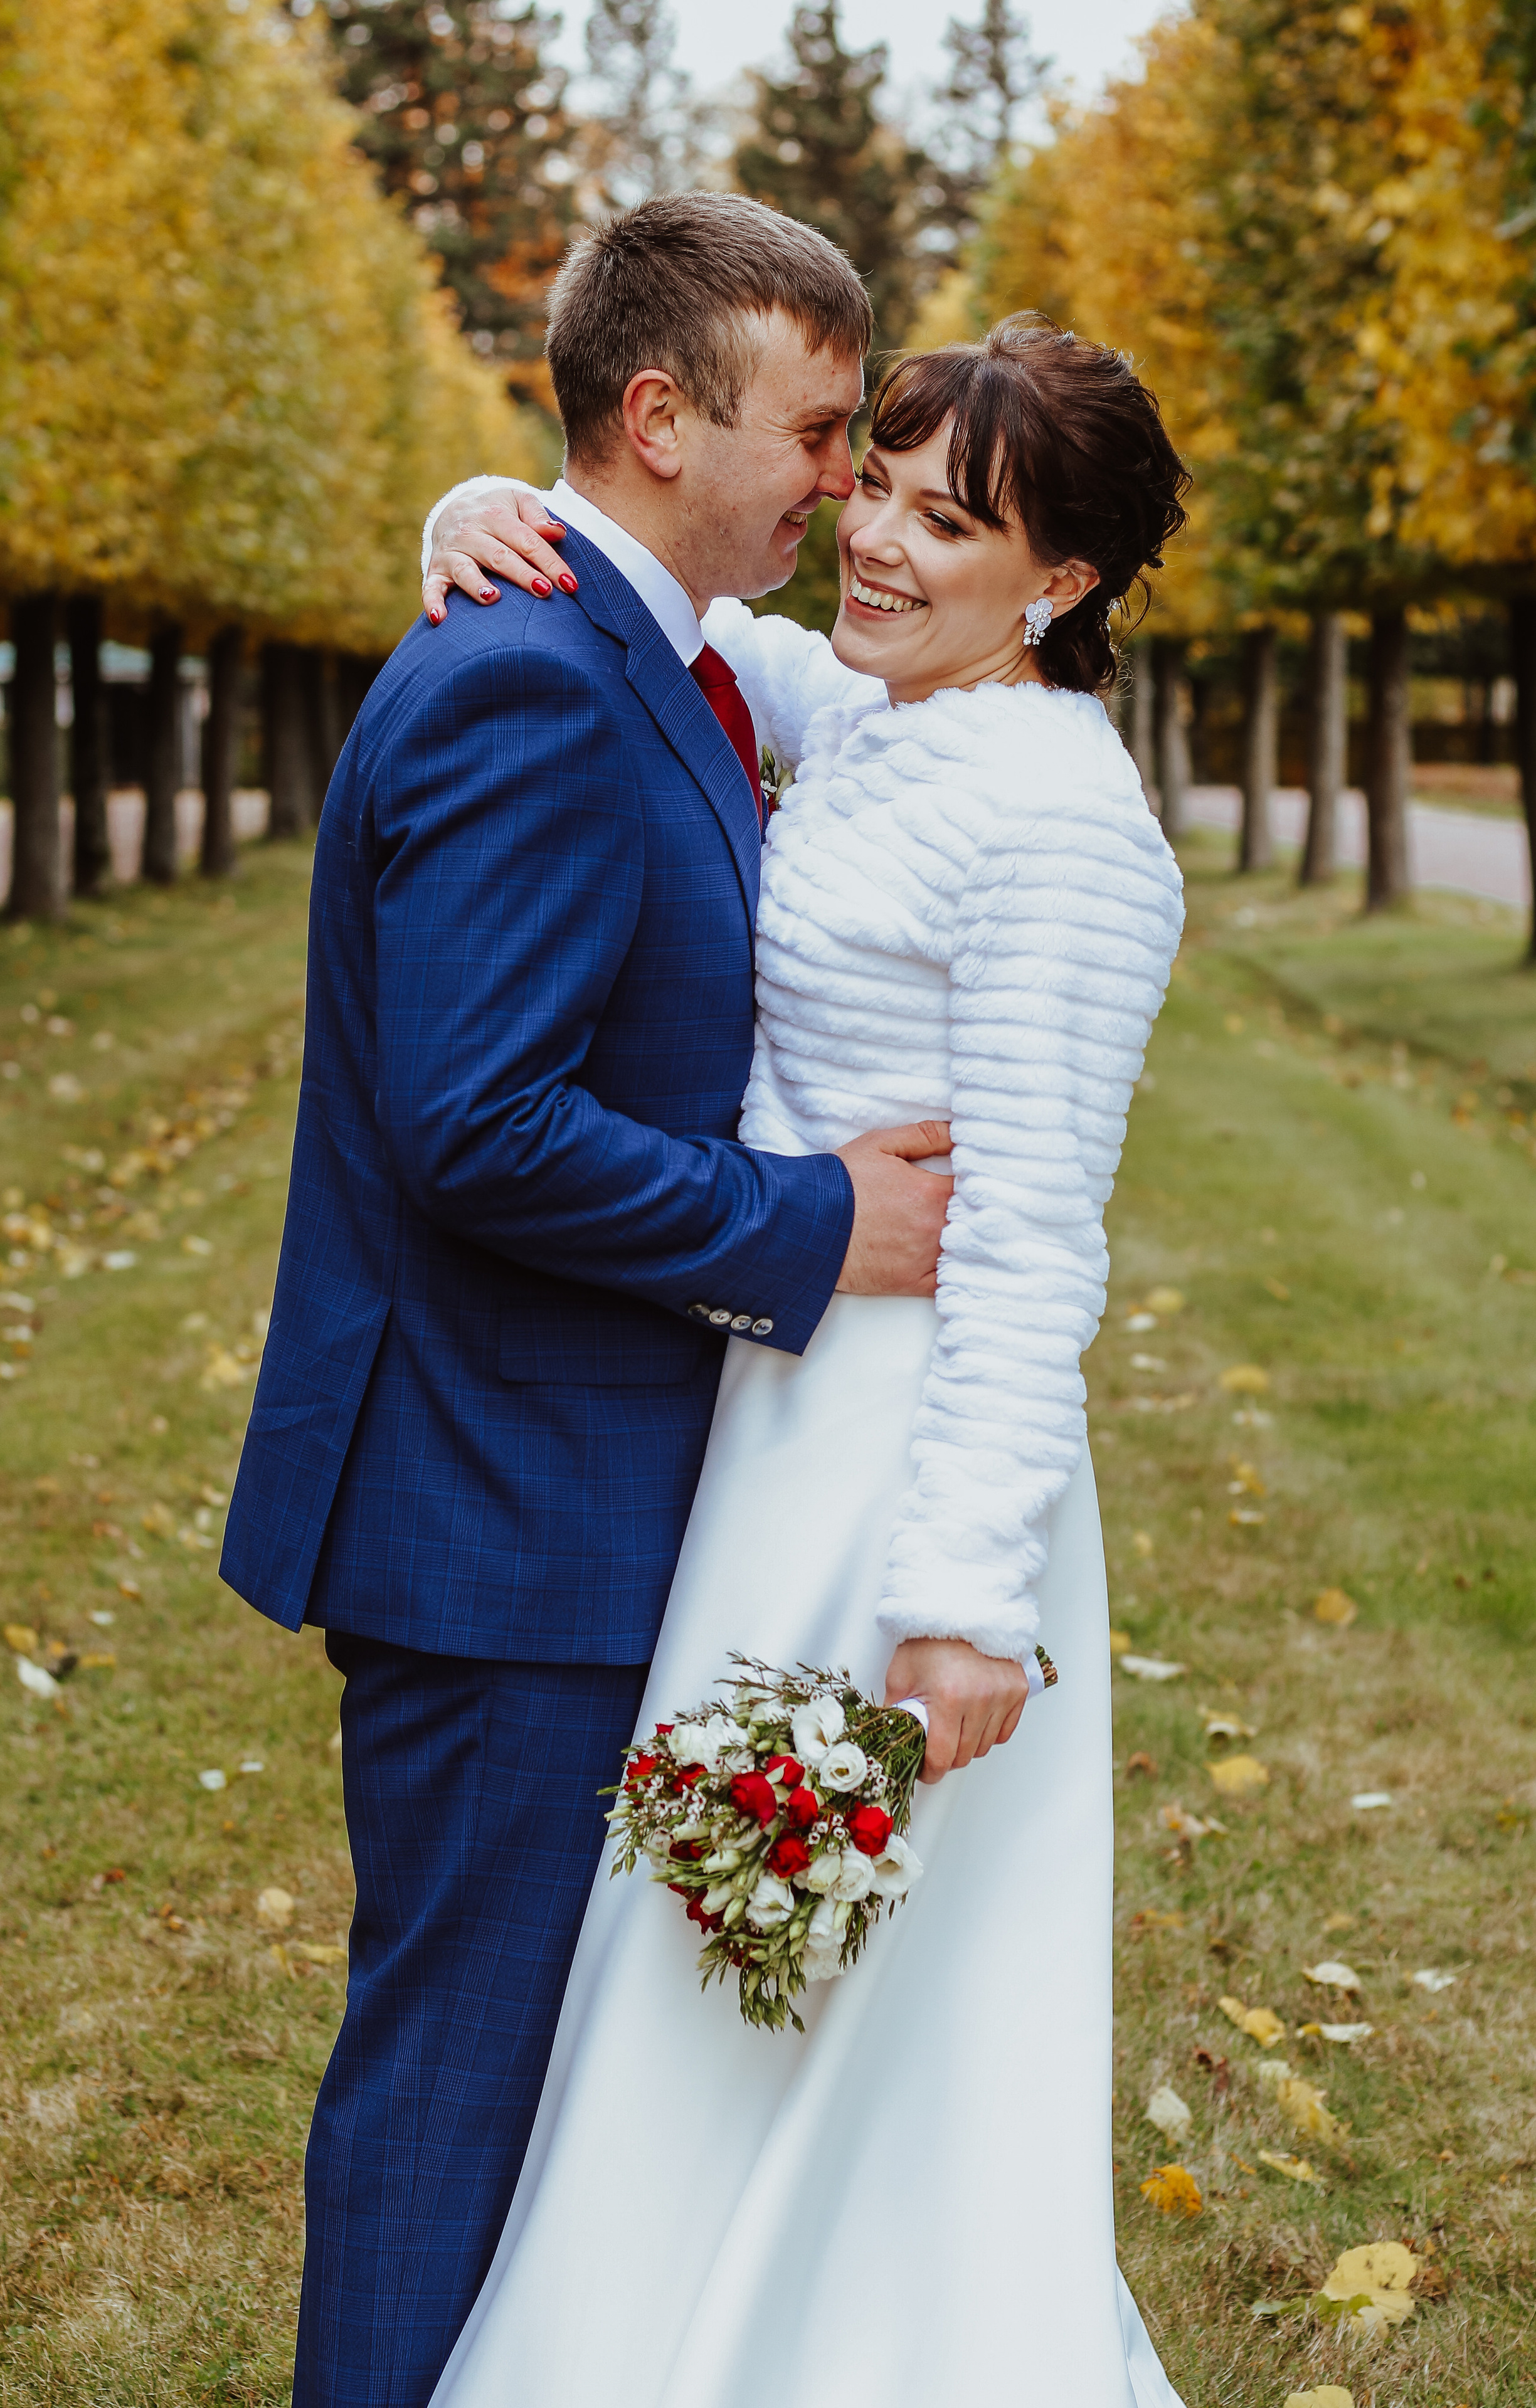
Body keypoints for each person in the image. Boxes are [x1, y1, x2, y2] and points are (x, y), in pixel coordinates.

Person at [218, 194, 1023, 2408]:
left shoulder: (626, 640)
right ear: (662, 418)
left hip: (546, 1494)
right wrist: (808, 1227)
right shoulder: (533, 678)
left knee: (527, 2082)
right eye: (827, 432)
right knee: (456, 2088)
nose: (847, 486)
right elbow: (476, 1123)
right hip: (497, 1520)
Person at [416, 312, 1190, 2403]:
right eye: (880, 484)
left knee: (855, 1995)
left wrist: (959, 1606)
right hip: (769, 1426)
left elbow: (1031, 1242)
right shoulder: (869, 713)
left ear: (1064, 584)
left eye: (953, 522)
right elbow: (669, 627)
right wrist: (496, 514)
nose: (877, 543)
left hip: (906, 1478)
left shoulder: (1061, 821)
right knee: (705, 1956)